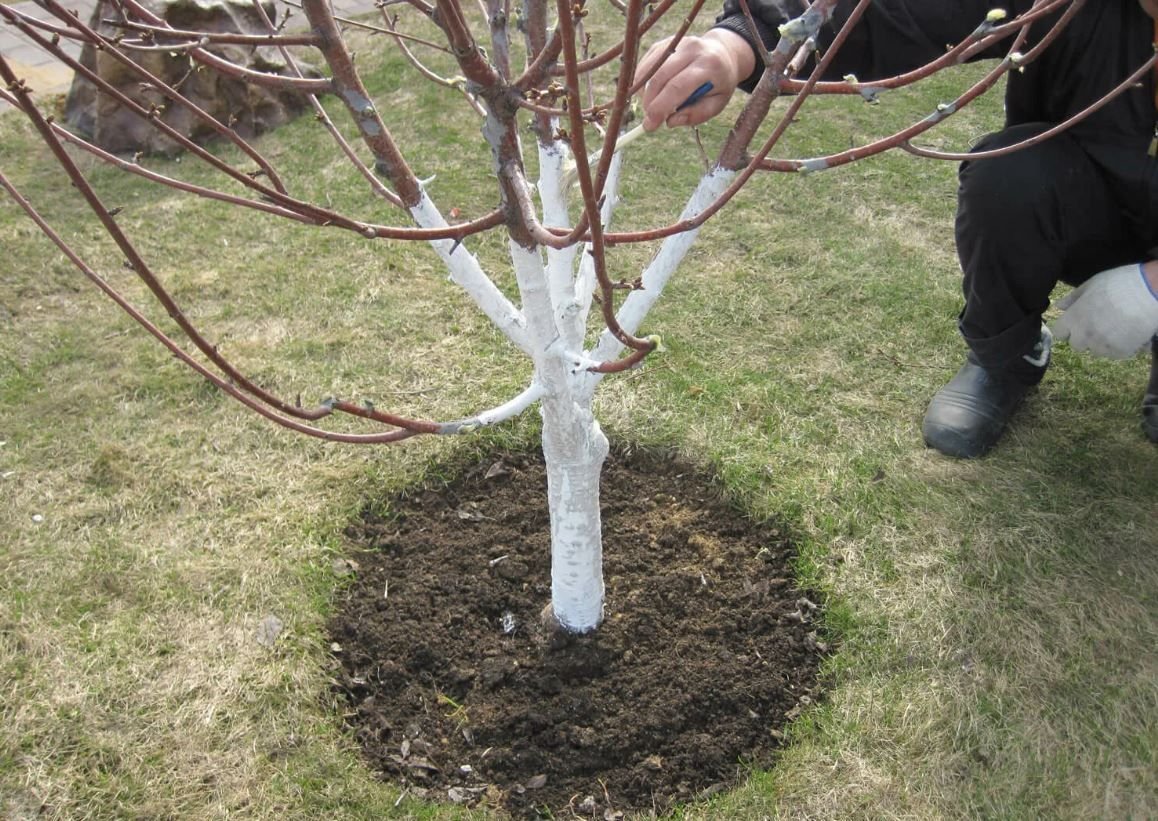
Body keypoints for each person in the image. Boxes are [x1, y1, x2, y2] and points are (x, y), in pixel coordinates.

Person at [636, 0, 1158, 457]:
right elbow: (891, 11)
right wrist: (739, 45)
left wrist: (1153, 289)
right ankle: (1007, 357)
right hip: (1093, 193)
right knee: (1008, 178)